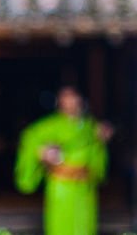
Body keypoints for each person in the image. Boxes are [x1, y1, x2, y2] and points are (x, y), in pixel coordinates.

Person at [14, 85, 112, 235]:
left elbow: (97, 156)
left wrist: (101, 140)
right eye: (65, 98)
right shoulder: (48, 126)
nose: (70, 102)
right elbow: (30, 140)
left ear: (81, 100)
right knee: (60, 226)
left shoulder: (90, 127)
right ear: (59, 102)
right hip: (61, 186)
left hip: (84, 187)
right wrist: (42, 152)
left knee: (84, 225)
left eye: (73, 97)